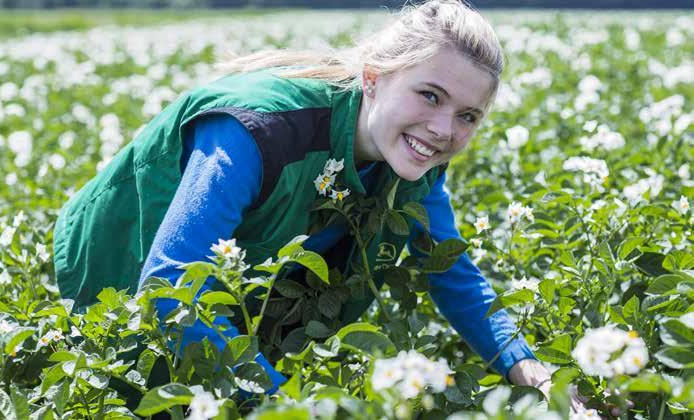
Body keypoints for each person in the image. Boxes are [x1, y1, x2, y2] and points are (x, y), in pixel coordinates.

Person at [53, 0, 587, 412]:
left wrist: (531, 370)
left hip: (231, 296)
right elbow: (170, 290)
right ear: (375, 79)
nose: (445, 129)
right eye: (430, 95)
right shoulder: (260, 129)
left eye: (468, 116)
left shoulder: (415, 162)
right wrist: (288, 406)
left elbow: (454, 274)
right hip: (115, 264)